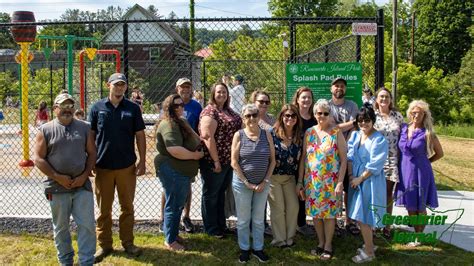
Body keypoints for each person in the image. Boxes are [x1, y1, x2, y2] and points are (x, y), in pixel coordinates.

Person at [89, 73, 146, 262]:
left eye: (123, 85)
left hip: (126, 167)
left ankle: (128, 243)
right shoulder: (97, 108)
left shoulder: (133, 109)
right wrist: (90, 161)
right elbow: (91, 137)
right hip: (103, 167)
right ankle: (104, 245)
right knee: (104, 210)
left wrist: (143, 160)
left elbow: (139, 135)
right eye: (116, 85)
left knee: (127, 208)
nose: (120, 88)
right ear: (108, 85)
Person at [34, 93, 96, 265]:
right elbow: (38, 159)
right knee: (61, 228)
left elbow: (92, 153)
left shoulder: (85, 127)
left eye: (70, 106)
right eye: (63, 106)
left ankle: (86, 261)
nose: (67, 110)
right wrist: (57, 177)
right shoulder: (45, 130)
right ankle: (65, 261)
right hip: (56, 186)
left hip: (81, 186)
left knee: (87, 226)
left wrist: (84, 175)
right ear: (55, 109)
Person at [297, 99, 347, 260]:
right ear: (314, 114)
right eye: (319, 113)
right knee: (316, 215)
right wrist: (300, 182)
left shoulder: (336, 132)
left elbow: (344, 159)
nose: (322, 116)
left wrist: (340, 181)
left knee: (329, 215)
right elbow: (304, 158)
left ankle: (328, 245)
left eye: (326, 113)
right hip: (312, 181)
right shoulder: (309, 132)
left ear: (329, 115)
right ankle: (320, 242)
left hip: (331, 182)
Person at [155, 94, 204, 251]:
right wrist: (194, 155)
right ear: (168, 108)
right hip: (172, 170)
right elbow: (174, 149)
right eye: (175, 106)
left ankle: (173, 234)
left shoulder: (181, 122)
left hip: (181, 171)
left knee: (178, 204)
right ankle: (170, 241)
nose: (180, 107)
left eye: (181, 104)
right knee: (174, 205)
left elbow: (197, 138)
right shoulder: (168, 124)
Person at [394, 100, 444, 247]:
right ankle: (418, 233)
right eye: (413, 112)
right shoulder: (403, 128)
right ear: (410, 113)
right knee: (410, 204)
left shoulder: (428, 132)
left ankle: (418, 235)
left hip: (421, 172)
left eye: (419, 113)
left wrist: (426, 162)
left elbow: (440, 153)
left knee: (420, 205)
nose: (416, 115)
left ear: (424, 115)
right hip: (404, 170)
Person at [231, 103, 276, 263]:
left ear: (258, 117)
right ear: (243, 119)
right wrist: (246, 182)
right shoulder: (239, 135)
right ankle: (244, 248)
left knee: (258, 219)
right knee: (243, 219)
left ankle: (258, 248)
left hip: (262, 184)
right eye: (248, 116)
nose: (251, 118)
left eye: (254, 115)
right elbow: (234, 162)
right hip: (242, 184)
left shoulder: (267, 134)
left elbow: (273, 161)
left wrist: (265, 180)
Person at [199, 82, 242, 238]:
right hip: (214, 161)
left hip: (228, 161)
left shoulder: (228, 110)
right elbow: (207, 137)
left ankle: (220, 225)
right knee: (211, 194)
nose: (222, 94)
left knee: (220, 194)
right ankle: (211, 228)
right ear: (213, 94)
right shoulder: (210, 112)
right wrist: (216, 161)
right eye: (219, 92)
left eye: (224, 92)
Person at [347, 104, 388, 263]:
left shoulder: (379, 140)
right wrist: (351, 175)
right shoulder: (355, 135)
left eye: (367, 120)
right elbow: (350, 157)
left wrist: (359, 179)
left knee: (364, 217)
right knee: (360, 215)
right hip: (356, 179)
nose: (364, 123)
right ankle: (368, 244)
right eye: (361, 120)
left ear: (373, 121)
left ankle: (370, 252)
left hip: (369, 181)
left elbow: (375, 165)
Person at [328, 77, 360, 236]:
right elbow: (329, 128)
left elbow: (356, 125)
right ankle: (332, 221)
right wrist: (342, 127)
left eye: (342, 86)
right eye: (336, 86)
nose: (339, 88)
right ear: (331, 88)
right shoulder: (326, 106)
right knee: (332, 187)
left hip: (349, 150)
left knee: (348, 187)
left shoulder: (352, 105)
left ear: (345, 89)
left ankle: (349, 220)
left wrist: (345, 145)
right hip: (330, 153)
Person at [268, 104, 302, 248]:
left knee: (293, 207)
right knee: (278, 209)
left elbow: (302, 161)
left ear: (297, 118)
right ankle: (279, 240)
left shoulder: (299, 136)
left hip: (290, 178)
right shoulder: (272, 134)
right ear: (281, 117)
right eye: (287, 115)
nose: (290, 118)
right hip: (274, 178)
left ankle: (289, 238)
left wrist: (300, 182)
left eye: (293, 115)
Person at [373, 87, 404, 238]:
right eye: (381, 97)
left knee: (387, 194)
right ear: (376, 100)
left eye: (386, 97)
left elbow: (404, 136)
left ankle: (387, 225)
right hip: (376, 159)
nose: (384, 99)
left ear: (390, 99)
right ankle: (373, 224)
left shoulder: (397, 116)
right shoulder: (372, 115)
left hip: (392, 160)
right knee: (374, 192)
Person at [291, 86, 317, 236]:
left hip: (309, 161)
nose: (306, 100)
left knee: (303, 193)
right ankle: (292, 223)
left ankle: (301, 223)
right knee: (293, 192)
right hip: (292, 160)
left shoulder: (315, 118)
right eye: (303, 97)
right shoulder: (292, 116)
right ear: (298, 99)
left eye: (309, 97)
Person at [250, 90, 275, 235]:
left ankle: (263, 225)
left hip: (268, 161)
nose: (264, 104)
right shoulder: (249, 118)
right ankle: (253, 227)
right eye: (261, 102)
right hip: (253, 162)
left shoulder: (272, 119)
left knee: (263, 195)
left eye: (267, 102)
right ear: (254, 102)